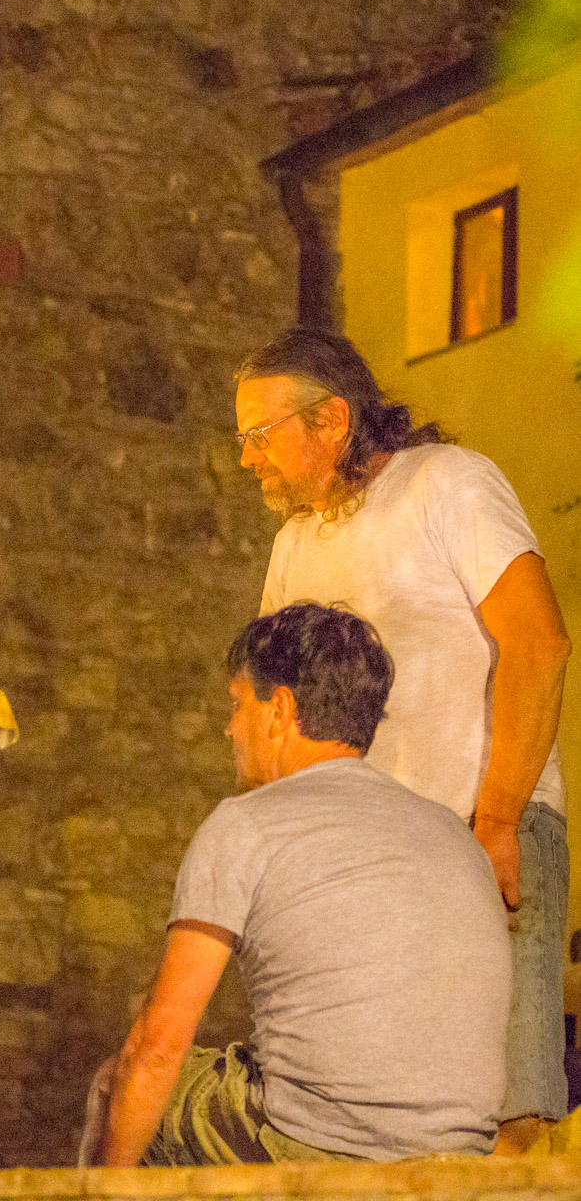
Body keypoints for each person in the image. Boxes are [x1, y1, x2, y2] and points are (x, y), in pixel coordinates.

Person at [234, 325, 571, 1152]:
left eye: (260, 434)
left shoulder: (445, 483)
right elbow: (277, 718)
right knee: (378, 1125)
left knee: (507, 1115)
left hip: (479, 828)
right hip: (367, 871)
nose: (246, 458)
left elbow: (537, 642)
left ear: (330, 420)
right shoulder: (292, 546)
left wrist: (497, 823)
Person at [84, 603, 512, 1167]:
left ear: (280, 710)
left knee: (122, 1085)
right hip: (460, 1158)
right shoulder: (455, 834)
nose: (229, 728)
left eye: (238, 704)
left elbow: (157, 1047)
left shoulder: (246, 825)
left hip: (317, 1150)